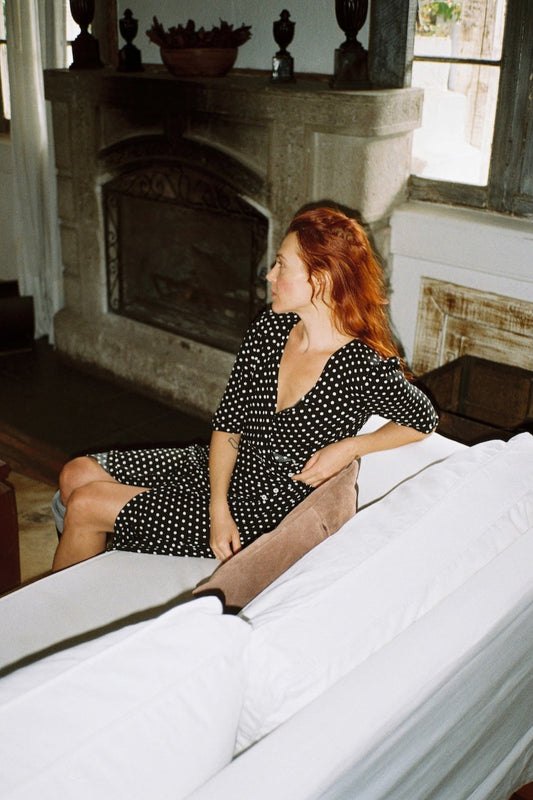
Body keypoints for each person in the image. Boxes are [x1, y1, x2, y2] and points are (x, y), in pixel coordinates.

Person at [51, 206, 438, 572]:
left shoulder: (362, 366)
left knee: (86, 504)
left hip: (264, 512)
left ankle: (59, 606)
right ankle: (97, 561)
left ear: (320, 280)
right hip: (225, 472)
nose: (269, 275)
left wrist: (350, 448)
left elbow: (423, 420)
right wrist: (217, 507)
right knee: (74, 474)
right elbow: (229, 423)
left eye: (282, 265)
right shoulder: (270, 328)